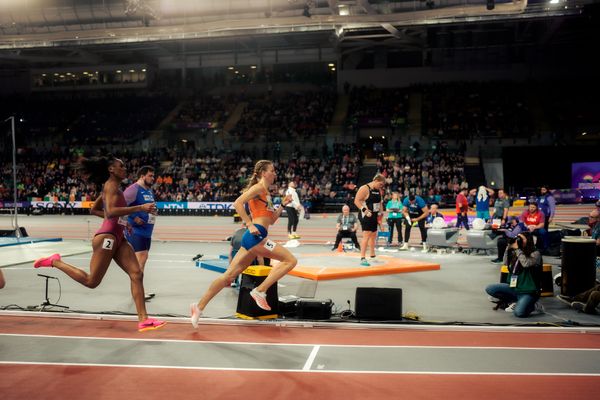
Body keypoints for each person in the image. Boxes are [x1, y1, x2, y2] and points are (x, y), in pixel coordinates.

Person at [32, 156, 166, 332]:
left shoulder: (114, 188)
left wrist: (124, 223)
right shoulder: (110, 186)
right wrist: (139, 208)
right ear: (112, 169)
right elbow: (110, 212)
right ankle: (55, 261)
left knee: (136, 274)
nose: (125, 169)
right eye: (122, 166)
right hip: (107, 238)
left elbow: (94, 210)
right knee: (91, 281)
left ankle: (144, 319)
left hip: (119, 237)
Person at [190, 160, 297, 327]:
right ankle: (260, 290)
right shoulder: (258, 188)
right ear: (263, 173)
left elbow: (272, 220)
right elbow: (237, 203)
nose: (275, 174)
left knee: (228, 276)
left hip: (255, 238)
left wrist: (283, 204)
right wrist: (249, 223)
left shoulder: (266, 193)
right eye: (272, 170)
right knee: (290, 261)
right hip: (257, 237)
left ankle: (199, 306)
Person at [485, 232, 544, 317]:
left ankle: (533, 305)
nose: (518, 240)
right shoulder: (516, 252)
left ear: (528, 240)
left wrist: (517, 249)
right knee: (490, 288)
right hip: (514, 288)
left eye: (521, 238)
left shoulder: (535, 253)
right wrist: (507, 249)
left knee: (519, 313)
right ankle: (514, 301)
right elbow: (505, 263)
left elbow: (526, 264)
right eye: (518, 238)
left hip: (528, 291)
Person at [124, 165, 157, 301]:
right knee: (140, 261)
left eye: (153, 176)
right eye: (150, 175)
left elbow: (151, 206)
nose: (152, 178)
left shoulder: (148, 190)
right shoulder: (133, 189)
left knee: (142, 261)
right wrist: (133, 218)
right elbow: (121, 206)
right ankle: (137, 294)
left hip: (147, 231)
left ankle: (139, 291)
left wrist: (154, 211)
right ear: (142, 176)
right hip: (136, 231)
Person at [354, 174, 386, 266]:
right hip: (366, 215)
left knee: (373, 234)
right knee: (366, 235)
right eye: (380, 184)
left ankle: (372, 255)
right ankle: (362, 258)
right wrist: (365, 210)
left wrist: (380, 217)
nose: (381, 186)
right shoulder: (364, 188)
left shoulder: (378, 190)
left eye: (382, 185)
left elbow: (379, 203)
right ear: (375, 180)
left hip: (374, 214)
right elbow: (356, 201)